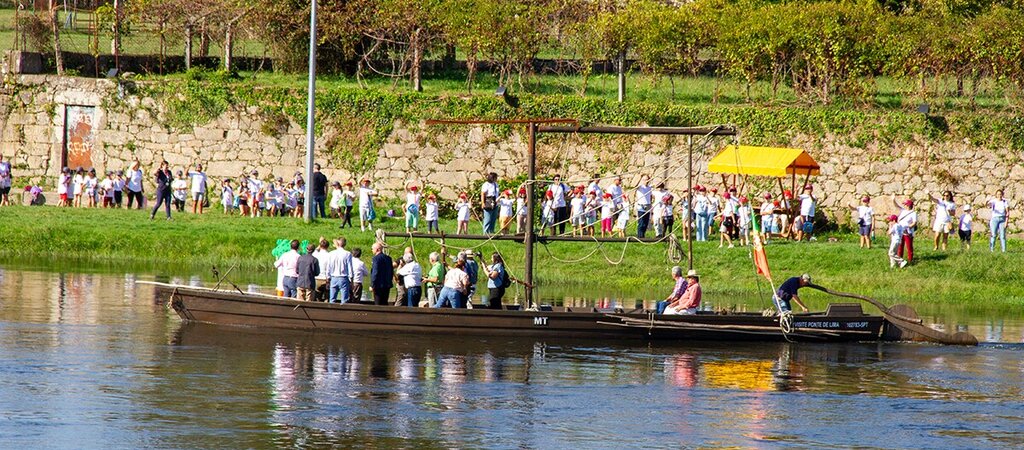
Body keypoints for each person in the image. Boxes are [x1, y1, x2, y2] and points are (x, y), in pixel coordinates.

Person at [325, 237, 354, 304]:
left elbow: (328, 267)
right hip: (343, 278)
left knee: (332, 299)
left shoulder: (331, 253)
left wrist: (327, 279)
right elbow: (350, 268)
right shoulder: (347, 254)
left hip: (333, 278)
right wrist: (351, 280)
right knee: (344, 300)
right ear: (345, 244)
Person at [892, 196, 917, 263]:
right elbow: (896, 206)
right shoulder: (903, 211)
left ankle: (910, 260)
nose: (904, 205)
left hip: (907, 232)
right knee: (900, 246)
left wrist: (908, 227)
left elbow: (914, 223)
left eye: (905, 204)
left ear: (908, 205)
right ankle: (900, 259)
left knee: (909, 246)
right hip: (900, 231)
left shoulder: (913, 213)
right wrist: (893, 200)